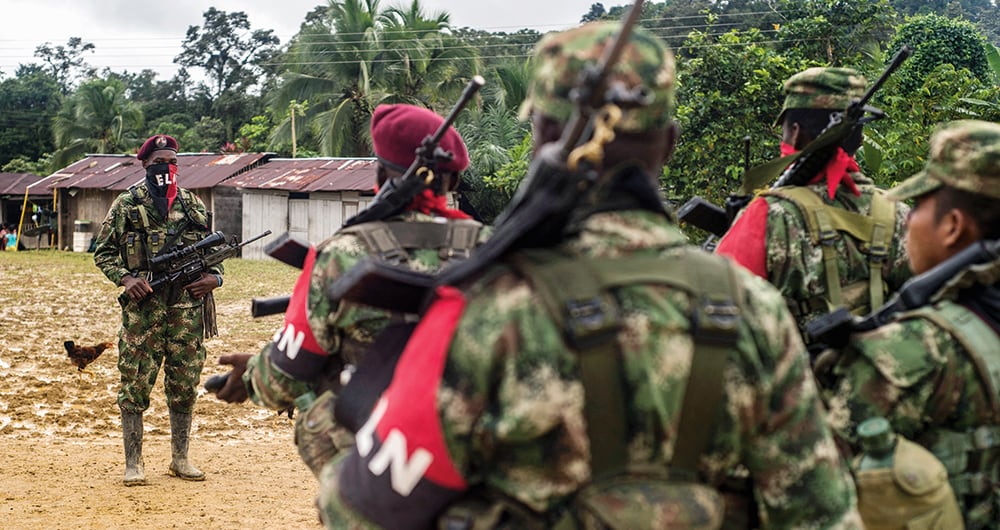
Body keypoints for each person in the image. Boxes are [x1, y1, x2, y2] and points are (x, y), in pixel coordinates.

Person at [310, 21, 862, 529]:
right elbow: (821, 515)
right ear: (668, 143)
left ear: (543, 135)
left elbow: (361, 510)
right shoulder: (754, 310)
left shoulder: (489, 304)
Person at [214, 104, 488, 475]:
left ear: (378, 173)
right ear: (453, 182)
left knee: (317, 400)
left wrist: (252, 377)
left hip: (382, 451)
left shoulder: (343, 253)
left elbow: (284, 379)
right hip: (476, 440)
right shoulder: (493, 249)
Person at [818, 119, 1000, 529]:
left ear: (952, 226)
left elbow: (814, 487)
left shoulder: (910, 350)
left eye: (918, 206)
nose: (908, 220)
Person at [715, 67, 911, 347]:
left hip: (792, 384)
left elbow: (720, 311)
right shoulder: (899, 214)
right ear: (859, 138)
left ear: (795, 134)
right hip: (881, 381)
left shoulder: (767, 215)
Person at [93, 134, 223, 486]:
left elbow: (213, 255)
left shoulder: (192, 204)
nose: (166, 168)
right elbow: (102, 252)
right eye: (157, 163)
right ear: (145, 164)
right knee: (134, 384)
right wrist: (125, 278)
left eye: (172, 162)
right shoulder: (126, 204)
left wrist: (215, 279)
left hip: (187, 312)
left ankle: (180, 459)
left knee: (184, 383)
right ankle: (133, 463)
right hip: (143, 312)